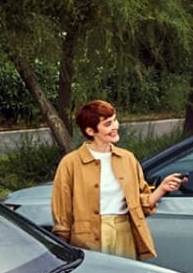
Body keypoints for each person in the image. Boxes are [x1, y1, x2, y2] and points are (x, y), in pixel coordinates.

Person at [51, 100, 185, 261]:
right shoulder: (70, 163)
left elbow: (140, 204)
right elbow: (62, 210)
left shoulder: (127, 158)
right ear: (90, 130)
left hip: (124, 234)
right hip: (88, 239)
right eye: (108, 124)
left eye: (115, 120)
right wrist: (62, 245)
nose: (115, 126)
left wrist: (162, 188)